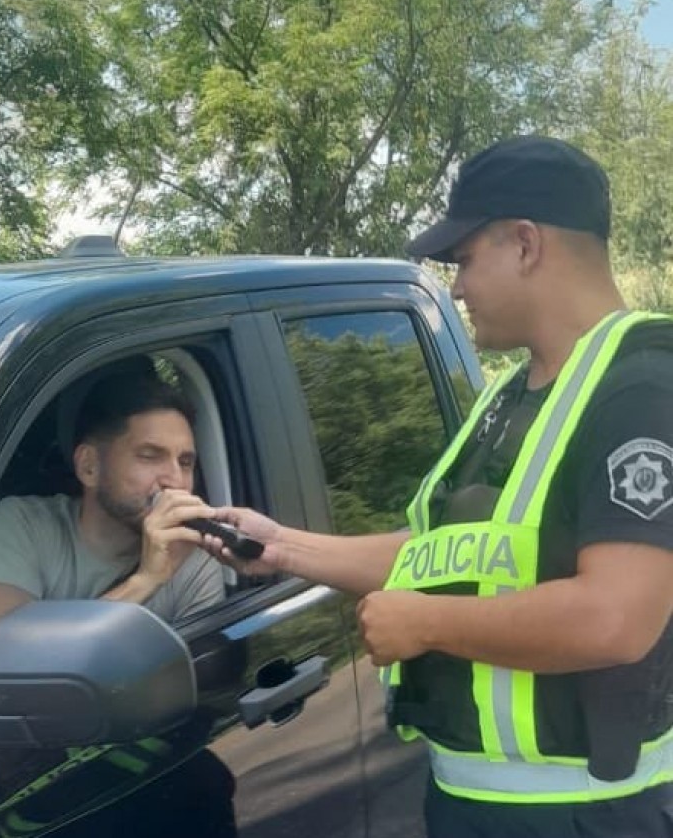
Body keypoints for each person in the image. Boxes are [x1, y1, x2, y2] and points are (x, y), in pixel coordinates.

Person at [200, 136, 673, 837]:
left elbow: (617, 618)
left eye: (464, 259)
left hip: (584, 816)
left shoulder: (641, 388)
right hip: (475, 807)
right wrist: (282, 547)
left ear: (524, 243)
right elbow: (441, 555)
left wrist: (426, 623)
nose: (454, 286)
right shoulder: (514, 395)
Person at [0, 359, 225, 632]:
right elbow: (3, 655)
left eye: (185, 462)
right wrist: (145, 581)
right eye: (150, 456)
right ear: (89, 467)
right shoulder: (25, 523)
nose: (175, 480)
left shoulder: (193, 561)